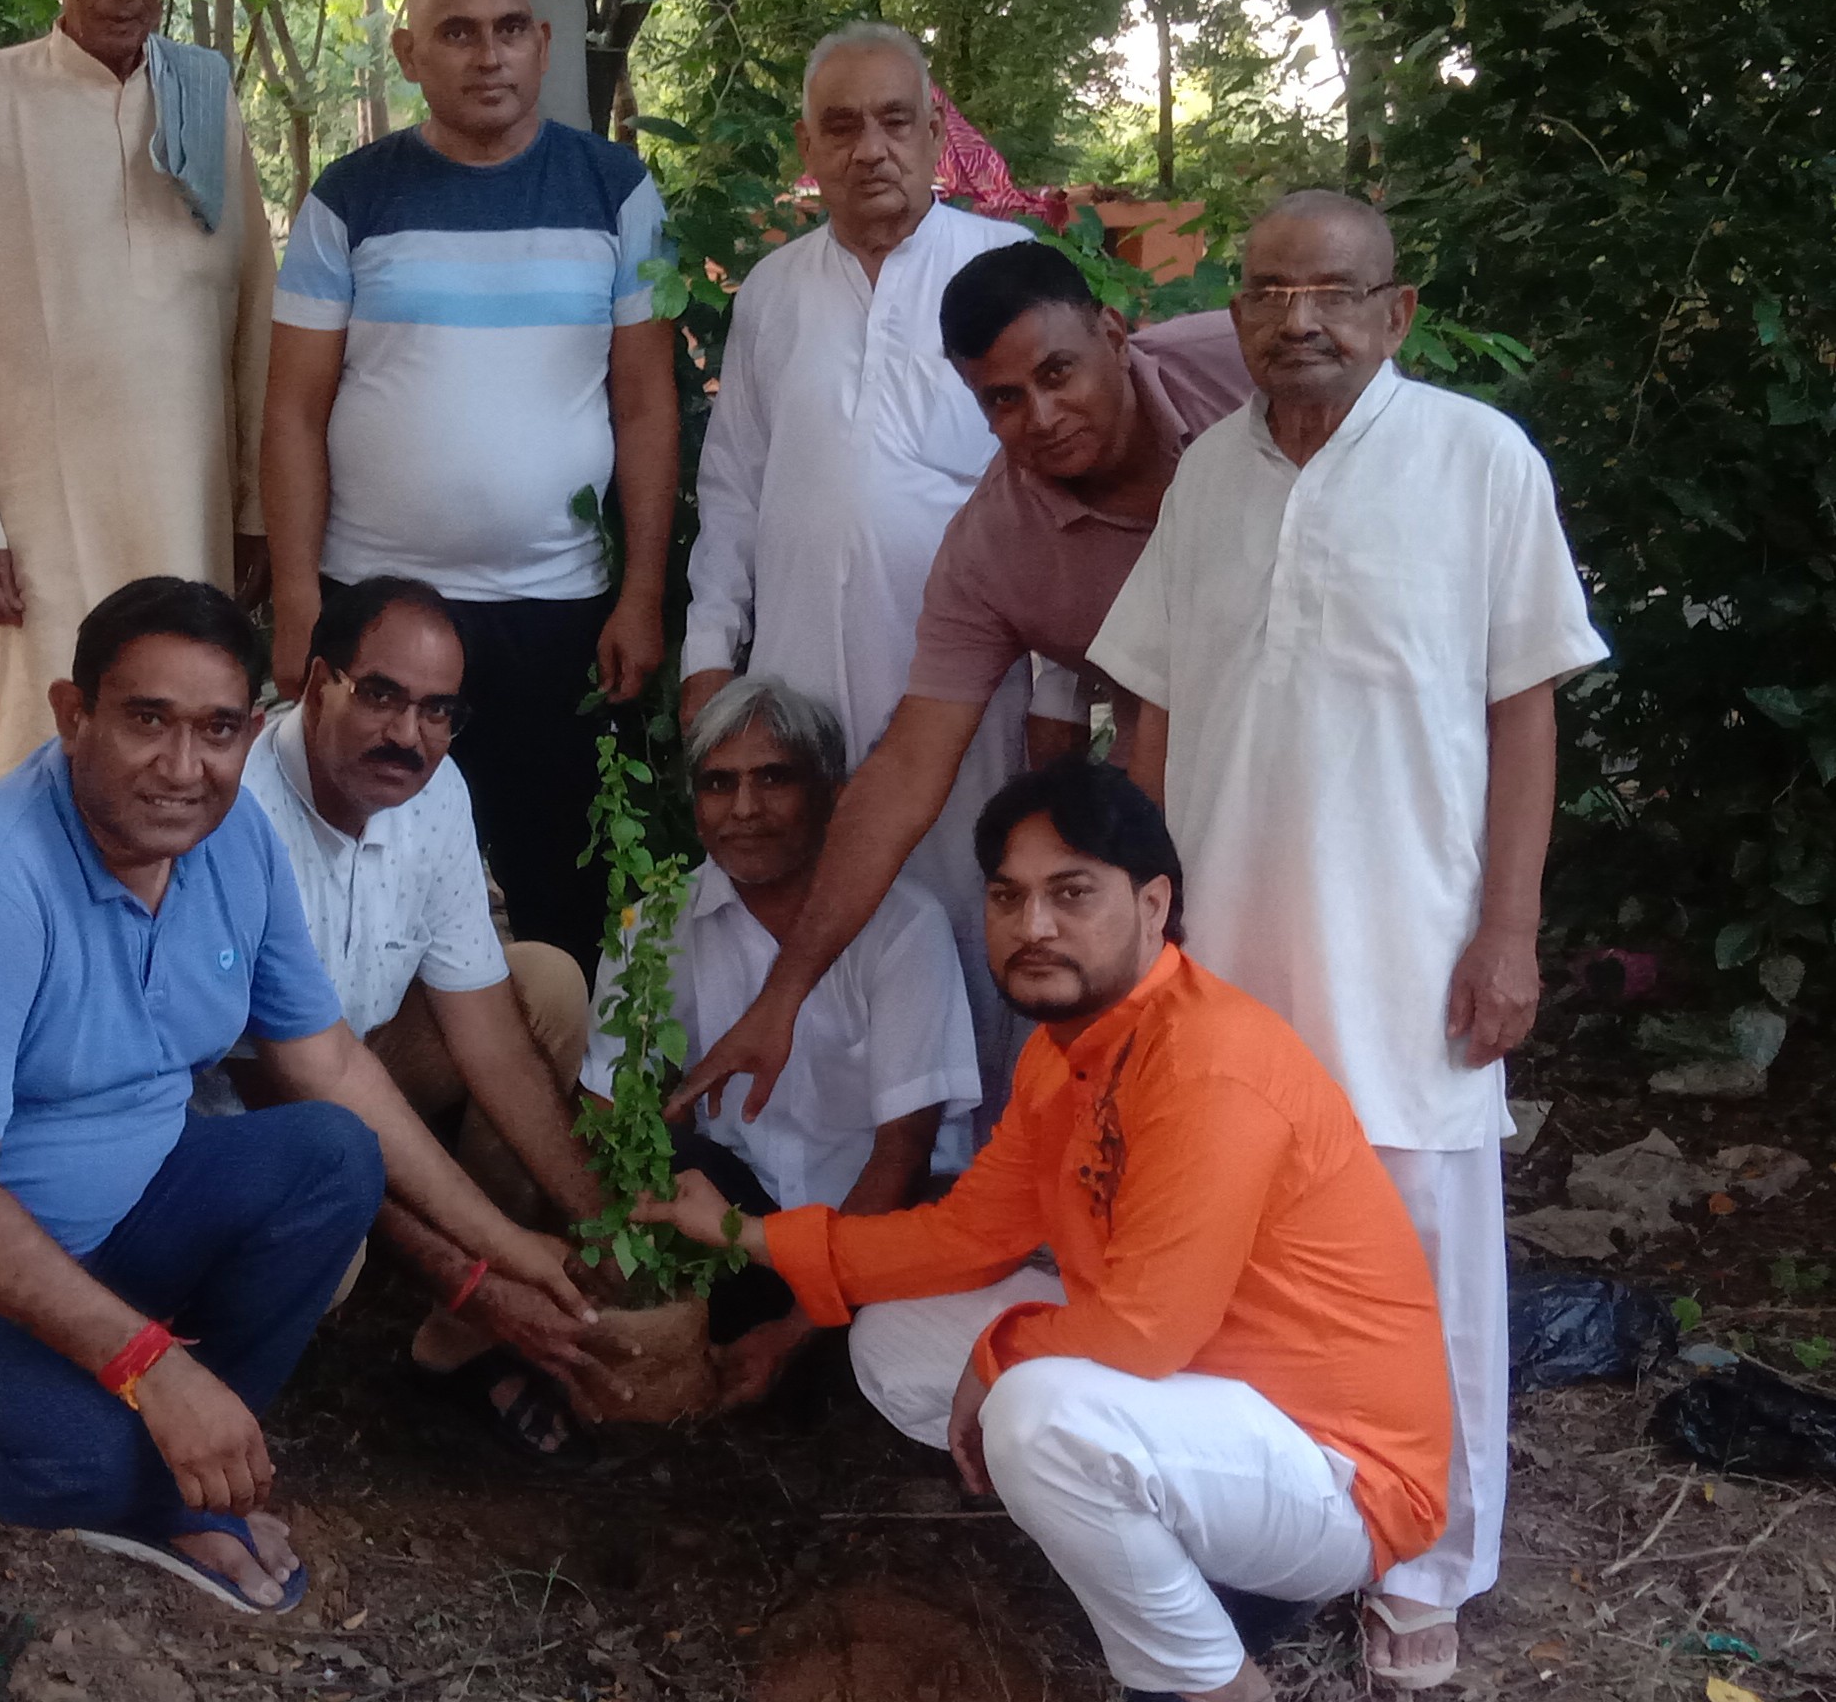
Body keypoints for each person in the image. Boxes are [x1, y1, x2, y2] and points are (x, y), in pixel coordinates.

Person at [0, 578, 601, 1619]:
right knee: (103, 1455)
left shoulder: (229, 840)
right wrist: (150, 1366)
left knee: (330, 1153)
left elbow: (331, 1065)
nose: (184, 767)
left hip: (121, 1226)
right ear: (71, 712)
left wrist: (508, 1242)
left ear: (250, 729)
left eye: (217, 729)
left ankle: (175, 1469)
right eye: (148, 719)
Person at [1091, 190, 1607, 1689]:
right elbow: (1155, 710)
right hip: (1226, 962)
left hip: (1406, 957)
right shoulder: (1206, 475)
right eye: (1265, 291)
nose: (1295, 317)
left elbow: (1526, 711)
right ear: (1234, 312)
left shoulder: (1474, 461)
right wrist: (1137, 940)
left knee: (1420, 1273)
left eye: (1330, 291)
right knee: (1232, 1256)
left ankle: (1425, 1568)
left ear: (1397, 310)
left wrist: (1506, 930)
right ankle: (1272, 1537)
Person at [644, 761, 1451, 1702]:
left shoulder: (1210, 1068)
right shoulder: (1060, 1056)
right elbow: (958, 1239)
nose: (1033, 927)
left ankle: (1216, 1684)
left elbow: (1147, 1329)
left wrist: (999, 1360)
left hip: (1339, 1473)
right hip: (1206, 1400)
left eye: (1072, 894)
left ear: (1154, 906)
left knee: (1036, 1414)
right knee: (894, 1337)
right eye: (1007, 896)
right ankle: (1162, 1558)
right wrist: (745, 1231)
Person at [671, 240, 1254, 1132]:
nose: (1044, 414)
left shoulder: (1239, 362)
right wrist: (783, 995)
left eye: (1059, 371)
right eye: (1004, 400)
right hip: (1181, 784)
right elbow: (907, 768)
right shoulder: (993, 550)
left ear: (1114, 332)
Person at [262, 0, 678, 968]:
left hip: (561, 613)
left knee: (563, 888)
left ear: (542, 44)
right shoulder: (350, 201)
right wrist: (301, 603)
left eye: (507, 30)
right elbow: (290, 414)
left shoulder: (616, 192)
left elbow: (645, 406)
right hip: (378, 616)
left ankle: (560, 1112)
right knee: (363, 881)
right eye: (456, 32)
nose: (486, 55)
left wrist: (638, 597)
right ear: (408, 52)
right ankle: (382, 1106)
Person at [681, 22, 1067, 1109]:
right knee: (824, 912)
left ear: (935, 131)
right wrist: (709, 658)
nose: (870, 149)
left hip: (965, 693)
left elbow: (1059, 500)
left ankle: (986, 1178)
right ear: (808, 142)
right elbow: (734, 489)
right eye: (840, 126)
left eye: (895, 120)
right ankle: (843, 1179)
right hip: (799, 678)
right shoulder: (770, 291)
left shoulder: (1003, 275)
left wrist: (1056, 692)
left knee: (972, 914)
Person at [239, 574, 622, 1461]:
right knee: (330, 1262)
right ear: (316, 680)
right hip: (244, 1108)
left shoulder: (435, 791)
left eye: (438, 711)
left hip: (361, 1058)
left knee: (549, 989)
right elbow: (276, 1091)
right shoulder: (242, 810)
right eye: (382, 696)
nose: (409, 735)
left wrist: (601, 1224)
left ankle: (463, 1345)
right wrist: (470, 1271)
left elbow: (485, 1030)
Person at [0, 0, 277, 778]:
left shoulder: (207, 95)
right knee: (48, 742)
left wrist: (254, 504)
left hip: (189, 496)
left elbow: (253, 310)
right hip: (40, 508)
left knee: (186, 739)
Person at [582, 676, 981, 1406]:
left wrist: (799, 1327)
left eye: (774, 778)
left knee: (877, 1343)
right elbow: (606, 1105)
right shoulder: (652, 927)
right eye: (717, 783)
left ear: (831, 790)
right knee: (660, 1158)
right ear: (691, 801)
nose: (744, 809)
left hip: (873, 1236)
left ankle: (796, 1354)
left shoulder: (902, 928)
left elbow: (904, 1152)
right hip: (733, 1225)